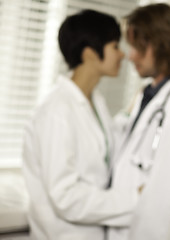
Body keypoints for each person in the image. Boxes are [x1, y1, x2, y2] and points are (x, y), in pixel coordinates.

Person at [22, 9, 136, 240]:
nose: (122, 55)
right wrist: (134, 199)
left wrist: (131, 113)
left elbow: (100, 145)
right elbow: (66, 197)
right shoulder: (56, 112)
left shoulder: (94, 101)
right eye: (115, 46)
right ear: (90, 54)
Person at [108, 3, 170, 240]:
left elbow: (166, 196)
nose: (131, 56)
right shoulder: (148, 94)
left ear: (162, 44)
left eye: (139, 48)